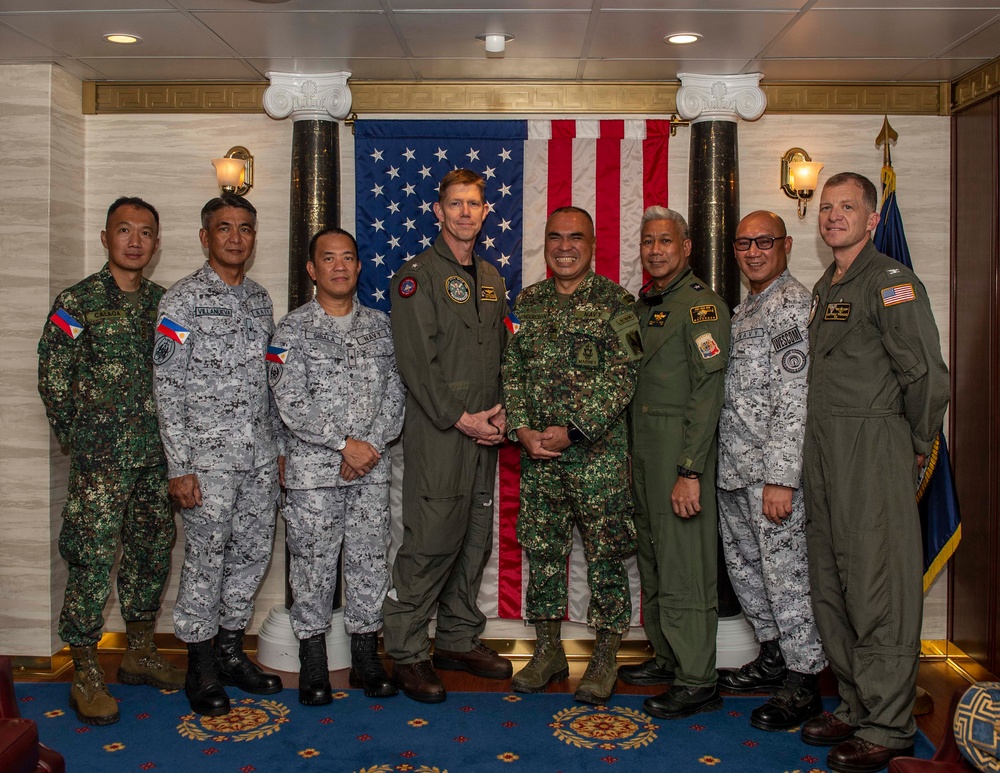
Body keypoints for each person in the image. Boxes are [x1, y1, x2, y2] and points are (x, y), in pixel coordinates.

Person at [801, 173, 949, 773]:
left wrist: (911, 443)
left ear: (871, 218)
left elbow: (927, 376)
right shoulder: (825, 283)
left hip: (872, 444)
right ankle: (857, 705)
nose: (834, 216)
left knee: (878, 586)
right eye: (827, 207)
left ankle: (887, 725)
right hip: (824, 447)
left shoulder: (891, 282)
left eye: (847, 207)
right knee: (833, 583)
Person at [38, 196, 185, 725]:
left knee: (151, 551)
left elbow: (180, 377)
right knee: (92, 559)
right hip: (101, 463)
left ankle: (140, 653)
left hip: (154, 459)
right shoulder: (76, 303)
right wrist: (78, 438)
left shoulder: (166, 308)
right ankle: (84, 671)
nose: (135, 241)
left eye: (146, 232)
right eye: (124, 230)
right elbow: (52, 374)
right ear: (105, 238)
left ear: (156, 243)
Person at [503, 207, 642, 704]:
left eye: (576, 237)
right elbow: (511, 369)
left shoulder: (617, 302)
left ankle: (605, 657)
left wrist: (574, 429)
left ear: (593, 245)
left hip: (597, 457)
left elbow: (625, 374)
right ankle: (547, 651)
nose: (565, 246)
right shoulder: (528, 302)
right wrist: (521, 428)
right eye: (556, 237)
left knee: (605, 556)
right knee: (542, 551)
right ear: (545, 243)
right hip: (538, 455)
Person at [382, 169, 511, 703]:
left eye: (473, 204)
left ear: (485, 213)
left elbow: (501, 356)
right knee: (432, 540)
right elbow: (418, 363)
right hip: (442, 432)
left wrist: (503, 414)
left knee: (474, 538)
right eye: (454, 204)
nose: (464, 212)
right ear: (438, 212)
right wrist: (462, 417)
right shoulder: (416, 277)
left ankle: (457, 637)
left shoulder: (492, 278)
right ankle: (407, 652)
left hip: (486, 433)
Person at [153, 193, 283, 717]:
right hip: (206, 461)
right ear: (205, 237)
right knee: (206, 561)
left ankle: (231, 651)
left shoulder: (260, 300)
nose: (236, 237)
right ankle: (200, 664)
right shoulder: (180, 301)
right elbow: (167, 386)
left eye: (246, 228)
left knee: (251, 555)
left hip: (258, 457)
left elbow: (270, 383)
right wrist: (179, 465)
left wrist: (275, 448)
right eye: (224, 228)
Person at [270, 228, 405, 705]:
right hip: (313, 474)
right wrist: (344, 444)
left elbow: (397, 391)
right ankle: (313, 664)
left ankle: (367, 659)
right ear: (312, 269)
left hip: (371, 469)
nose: (340, 266)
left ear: (359, 266)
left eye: (348, 257)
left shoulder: (383, 327)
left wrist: (368, 446)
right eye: (329, 259)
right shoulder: (290, 330)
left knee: (369, 562)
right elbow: (288, 398)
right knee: (312, 566)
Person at [715, 210, 827, 730]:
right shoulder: (746, 310)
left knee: (786, 578)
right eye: (743, 243)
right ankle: (774, 657)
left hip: (770, 476)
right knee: (749, 572)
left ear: (785, 245)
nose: (753, 251)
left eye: (763, 242)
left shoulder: (791, 307)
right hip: (735, 468)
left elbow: (795, 398)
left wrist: (782, 478)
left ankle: (805, 680)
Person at [623, 206, 730, 719]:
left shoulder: (702, 307)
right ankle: (667, 655)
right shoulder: (645, 306)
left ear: (686, 247)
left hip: (679, 450)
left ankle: (697, 677)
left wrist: (690, 469)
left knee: (686, 565)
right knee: (655, 560)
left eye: (665, 241)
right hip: (642, 449)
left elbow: (707, 392)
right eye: (647, 242)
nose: (656, 250)